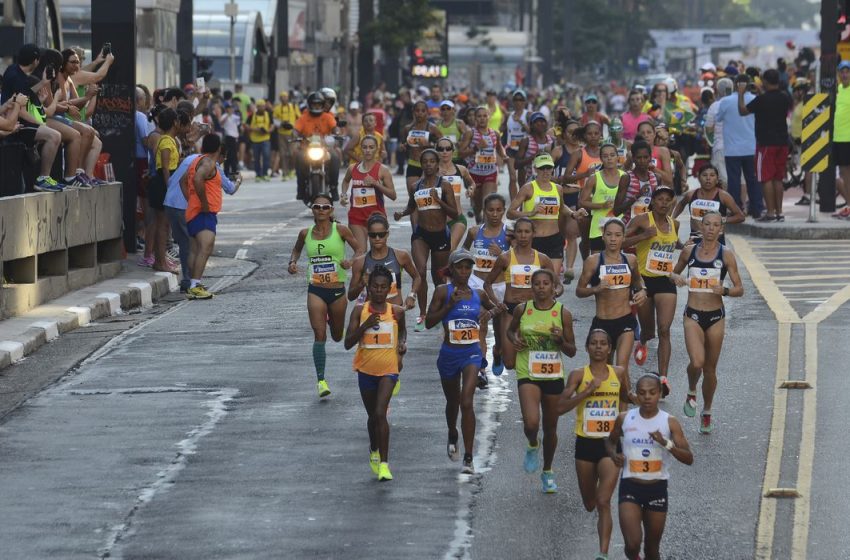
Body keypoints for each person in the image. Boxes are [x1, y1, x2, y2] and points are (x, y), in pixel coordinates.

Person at [559, 329, 630, 558]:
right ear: (587, 348)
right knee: (590, 503)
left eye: (603, 344)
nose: (598, 347)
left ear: (610, 349)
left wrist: (624, 423)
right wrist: (586, 392)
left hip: (611, 445)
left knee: (603, 501)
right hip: (585, 445)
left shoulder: (619, 373)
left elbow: (626, 398)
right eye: (593, 343)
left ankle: (603, 553)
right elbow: (560, 407)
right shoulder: (578, 375)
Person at [606, 374, 693, 560]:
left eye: (652, 393)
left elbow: (688, 458)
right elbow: (610, 441)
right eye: (642, 393)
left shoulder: (669, 422)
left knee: (652, 550)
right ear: (636, 395)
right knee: (632, 544)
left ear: (660, 394)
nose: (647, 397)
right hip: (630, 486)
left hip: (657, 489)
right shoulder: (624, 418)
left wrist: (666, 443)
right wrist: (614, 455)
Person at [425, 249, 498, 474]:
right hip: (449, 354)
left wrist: (488, 315)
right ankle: (451, 431)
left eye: (468, 267)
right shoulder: (442, 292)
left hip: (472, 354)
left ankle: (468, 456)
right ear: (452, 268)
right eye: (460, 267)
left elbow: (496, 308)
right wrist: (449, 306)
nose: (464, 271)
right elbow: (428, 323)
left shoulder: (478, 294)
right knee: (453, 402)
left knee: (467, 401)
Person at [670, 211, 743, 434]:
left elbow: (740, 288)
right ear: (700, 226)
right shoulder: (689, 251)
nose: (711, 229)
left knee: (710, 369)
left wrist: (726, 290)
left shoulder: (726, 254)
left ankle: (707, 411)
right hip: (692, 314)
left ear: (721, 229)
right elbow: (672, 273)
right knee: (697, 362)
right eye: (707, 224)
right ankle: (692, 389)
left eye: (716, 225)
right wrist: (677, 278)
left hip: (715, 316)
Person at [505, 268, 576, 492]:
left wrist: (559, 340)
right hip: (528, 371)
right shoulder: (522, 309)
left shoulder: (563, 313)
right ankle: (533, 443)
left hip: (553, 374)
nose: (541, 287)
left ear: (554, 287)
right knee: (532, 423)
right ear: (531, 287)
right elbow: (510, 331)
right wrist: (514, 340)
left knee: (551, 427)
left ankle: (547, 471)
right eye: (537, 284)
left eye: (546, 284)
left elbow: (572, 350)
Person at [287, 193, 362, 397]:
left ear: (331, 210)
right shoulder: (305, 233)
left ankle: (334, 323)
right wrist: (292, 263)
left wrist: (351, 261)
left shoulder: (341, 230)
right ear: (312, 210)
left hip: (337, 290)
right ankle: (321, 381)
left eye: (325, 207)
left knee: (337, 336)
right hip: (316, 289)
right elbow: (296, 250)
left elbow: (360, 249)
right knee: (319, 335)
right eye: (317, 207)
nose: (321, 210)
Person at [344, 265, 407, 481]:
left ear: (389, 288)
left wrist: (401, 346)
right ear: (369, 288)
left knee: (381, 413)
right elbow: (347, 343)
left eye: (383, 287)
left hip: (388, 371)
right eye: (375, 287)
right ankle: (373, 447)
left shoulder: (396, 311)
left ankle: (384, 464)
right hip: (365, 370)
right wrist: (365, 326)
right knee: (372, 417)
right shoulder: (359, 311)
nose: (379, 291)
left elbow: (403, 332)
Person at [394, 149, 459, 332]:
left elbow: (454, 213)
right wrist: (402, 213)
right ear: (421, 164)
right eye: (425, 161)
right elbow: (411, 207)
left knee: (439, 279)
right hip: (421, 235)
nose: (429, 164)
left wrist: (439, 200)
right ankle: (422, 314)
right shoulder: (416, 186)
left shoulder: (444, 185)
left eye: (432, 161)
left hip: (440, 235)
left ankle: (435, 312)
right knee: (420, 271)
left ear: (437, 164)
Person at [484, 217, 560, 372]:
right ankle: (498, 351)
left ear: (534, 234)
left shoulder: (543, 259)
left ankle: (528, 381)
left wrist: (552, 295)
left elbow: (558, 286)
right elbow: (487, 283)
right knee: (510, 363)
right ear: (514, 234)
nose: (523, 235)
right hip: (510, 310)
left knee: (535, 354)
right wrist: (496, 303)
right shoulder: (505, 258)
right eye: (519, 232)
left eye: (527, 232)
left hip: (534, 311)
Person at [624, 187, 679, 396]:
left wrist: (687, 245)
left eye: (668, 200)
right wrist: (644, 235)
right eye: (660, 199)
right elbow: (621, 241)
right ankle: (644, 340)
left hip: (665, 281)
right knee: (649, 329)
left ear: (672, 203)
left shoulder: (675, 224)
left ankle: (663, 379)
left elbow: (673, 244)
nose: (663, 203)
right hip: (643, 281)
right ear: (653, 201)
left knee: (665, 330)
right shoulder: (641, 220)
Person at [577, 218, 647, 381]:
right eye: (609, 234)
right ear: (603, 236)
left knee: (620, 369)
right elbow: (579, 291)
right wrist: (596, 289)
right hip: (602, 323)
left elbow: (638, 281)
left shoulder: (630, 260)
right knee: (602, 372)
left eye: (617, 235)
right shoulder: (593, 261)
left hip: (625, 321)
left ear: (624, 237)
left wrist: (642, 291)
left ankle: (623, 406)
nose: (613, 239)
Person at [509, 153, 584, 279]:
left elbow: (561, 207)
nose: (546, 171)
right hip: (534, 241)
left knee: (552, 279)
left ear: (553, 169)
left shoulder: (558, 188)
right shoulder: (528, 188)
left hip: (554, 240)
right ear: (536, 169)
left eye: (548, 168)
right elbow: (510, 212)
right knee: (533, 280)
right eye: (542, 168)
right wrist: (529, 213)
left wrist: (573, 214)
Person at [463, 193, 510, 377]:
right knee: (481, 323)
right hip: (478, 283)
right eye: (491, 210)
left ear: (504, 211)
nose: (495, 214)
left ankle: (497, 352)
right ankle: (481, 368)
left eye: (499, 210)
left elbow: (516, 259)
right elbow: (464, 252)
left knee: (499, 330)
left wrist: (504, 253)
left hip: (499, 286)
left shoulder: (509, 234)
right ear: (484, 211)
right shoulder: (475, 232)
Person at [737, 69, 793, 221]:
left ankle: (769, 213)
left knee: (766, 178)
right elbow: (773, 101)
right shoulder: (785, 97)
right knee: (778, 178)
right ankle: (779, 213)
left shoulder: (760, 100)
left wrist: (741, 94)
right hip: (782, 143)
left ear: (766, 82)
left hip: (766, 144)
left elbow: (743, 111)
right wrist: (762, 91)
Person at [347, 213, 420, 311]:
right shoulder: (360, 262)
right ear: (368, 235)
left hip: (395, 312)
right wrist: (361, 284)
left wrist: (412, 295)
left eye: (381, 235)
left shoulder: (401, 255)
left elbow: (417, 277)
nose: (377, 238)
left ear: (387, 234)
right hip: (371, 314)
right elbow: (350, 296)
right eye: (373, 235)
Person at [715, 74, 764, 219]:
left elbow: (718, 118)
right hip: (751, 147)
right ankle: (756, 209)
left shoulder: (725, 101)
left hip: (732, 149)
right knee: (753, 180)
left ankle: (735, 208)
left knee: (734, 181)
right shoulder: (755, 99)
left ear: (735, 84)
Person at [339, 135, 397, 249]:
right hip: (356, 217)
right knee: (361, 251)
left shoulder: (383, 170)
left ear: (376, 149)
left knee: (377, 251)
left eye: (371, 147)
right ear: (361, 148)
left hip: (377, 217)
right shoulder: (352, 168)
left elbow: (393, 195)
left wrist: (376, 183)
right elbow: (345, 181)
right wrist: (343, 194)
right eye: (365, 147)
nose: (368, 150)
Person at [672, 164, 745, 244]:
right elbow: (681, 204)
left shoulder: (724, 196)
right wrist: (672, 218)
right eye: (704, 175)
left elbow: (740, 217)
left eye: (712, 175)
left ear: (717, 179)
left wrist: (722, 220)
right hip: (695, 241)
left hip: (717, 243)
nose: (708, 178)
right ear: (699, 178)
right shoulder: (690, 195)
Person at [563, 121, 604, 259]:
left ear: (601, 135)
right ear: (585, 136)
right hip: (584, 201)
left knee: (601, 238)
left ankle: (596, 265)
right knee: (586, 239)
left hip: (602, 200)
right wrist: (585, 174)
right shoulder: (579, 154)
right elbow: (566, 178)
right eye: (590, 133)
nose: (593, 136)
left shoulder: (606, 152)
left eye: (596, 133)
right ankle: (587, 262)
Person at [461, 106, 507, 223]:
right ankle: (479, 220)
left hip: (490, 172)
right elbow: (461, 153)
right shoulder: (470, 133)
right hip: (474, 173)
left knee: (487, 202)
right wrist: (476, 148)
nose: (482, 119)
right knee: (477, 206)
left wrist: (504, 156)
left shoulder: (495, 134)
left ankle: (485, 229)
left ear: (489, 117)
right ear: (475, 118)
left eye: (484, 116)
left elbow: (499, 148)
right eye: (479, 116)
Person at [552, 119, 584, 281]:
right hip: (559, 196)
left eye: (576, 131)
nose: (573, 135)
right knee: (559, 233)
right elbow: (544, 174)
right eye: (570, 131)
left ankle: (570, 268)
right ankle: (560, 262)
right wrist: (558, 179)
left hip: (576, 196)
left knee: (571, 233)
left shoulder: (584, 153)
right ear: (564, 134)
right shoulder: (558, 151)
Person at [580, 143, 626, 254]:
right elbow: (582, 202)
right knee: (597, 264)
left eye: (612, 155)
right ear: (601, 159)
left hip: (619, 227)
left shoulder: (625, 177)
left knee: (616, 263)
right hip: (599, 228)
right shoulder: (594, 178)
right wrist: (601, 205)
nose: (609, 158)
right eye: (605, 156)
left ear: (617, 157)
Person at [294, 91, 340, 200]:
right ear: (310, 105)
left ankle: (334, 187)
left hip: (325, 147)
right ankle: (300, 187)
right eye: (314, 104)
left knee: (335, 157)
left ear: (322, 105)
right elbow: (296, 130)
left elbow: (335, 128)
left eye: (319, 104)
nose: (316, 106)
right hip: (306, 148)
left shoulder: (328, 117)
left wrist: (337, 133)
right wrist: (295, 135)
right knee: (299, 157)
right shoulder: (303, 117)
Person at [435, 136, 474, 250]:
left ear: (453, 151)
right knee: (438, 256)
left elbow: (472, 183)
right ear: (436, 151)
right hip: (436, 221)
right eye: (441, 149)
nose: (444, 152)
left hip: (457, 219)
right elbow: (419, 189)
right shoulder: (431, 171)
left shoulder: (461, 169)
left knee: (449, 250)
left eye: (448, 148)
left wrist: (470, 189)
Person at [399, 100, 441, 199]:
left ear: (427, 112)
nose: (420, 113)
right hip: (413, 164)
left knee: (427, 198)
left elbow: (443, 146)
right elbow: (405, 144)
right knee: (413, 199)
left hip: (429, 166)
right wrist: (403, 147)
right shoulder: (408, 128)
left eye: (423, 111)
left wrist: (429, 145)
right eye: (417, 111)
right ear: (413, 112)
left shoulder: (432, 128)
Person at [614, 140, 663, 225]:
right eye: (639, 158)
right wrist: (637, 196)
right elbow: (616, 211)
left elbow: (660, 206)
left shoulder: (657, 178)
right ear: (633, 158)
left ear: (650, 158)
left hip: (650, 227)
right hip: (629, 227)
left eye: (645, 157)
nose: (642, 161)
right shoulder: (627, 178)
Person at [703, 77, 733, 186]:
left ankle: (725, 202)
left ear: (717, 91)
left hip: (720, 147)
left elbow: (709, 129)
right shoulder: (738, 104)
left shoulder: (714, 106)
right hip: (737, 148)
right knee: (738, 178)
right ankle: (738, 202)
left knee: (723, 178)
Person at [515, 111, 556, 186]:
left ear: (546, 124)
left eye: (542, 121)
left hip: (548, 180)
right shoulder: (526, 141)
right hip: (529, 180)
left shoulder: (552, 141)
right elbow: (516, 164)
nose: (540, 124)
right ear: (531, 125)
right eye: (536, 122)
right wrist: (534, 157)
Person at [503, 89, 530, 199]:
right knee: (513, 177)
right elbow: (503, 129)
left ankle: (522, 199)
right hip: (511, 149)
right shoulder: (509, 115)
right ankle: (514, 202)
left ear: (524, 102)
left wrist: (520, 121)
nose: (518, 102)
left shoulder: (528, 115)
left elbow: (531, 131)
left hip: (523, 150)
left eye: (521, 100)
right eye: (516, 100)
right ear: (513, 102)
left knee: (522, 179)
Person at [634, 121, 673, 186]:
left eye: (649, 132)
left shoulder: (663, 151)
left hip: (657, 192)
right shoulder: (632, 152)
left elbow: (669, 180)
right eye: (643, 133)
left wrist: (653, 168)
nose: (646, 135)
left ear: (654, 134)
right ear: (638, 135)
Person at [273, 91, 300, 179]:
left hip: (292, 132)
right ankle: (285, 172)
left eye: (285, 97)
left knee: (292, 153)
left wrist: (294, 126)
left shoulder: (293, 107)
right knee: (283, 154)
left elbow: (299, 118)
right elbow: (275, 120)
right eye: (282, 97)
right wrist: (282, 123)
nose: (284, 98)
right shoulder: (277, 108)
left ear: (288, 98)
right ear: (280, 99)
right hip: (281, 133)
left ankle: (292, 170)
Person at [435, 100, 472, 166]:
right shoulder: (437, 124)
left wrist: (460, 143)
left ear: (453, 110)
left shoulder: (459, 123)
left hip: (456, 159)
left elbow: (466, 139)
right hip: (442, 159)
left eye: (448, 108)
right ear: (440, 111)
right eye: (443, 109)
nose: (445, 111)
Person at [835, 61, 850, 209]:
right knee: (844, 174)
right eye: (842, 72)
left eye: (847, 71)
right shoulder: (838, 89)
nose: (845, 74)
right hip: (838, 139)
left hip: (848, 138)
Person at [246, 99, 272, 181]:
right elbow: (246, 125)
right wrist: (254, 129)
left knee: (266, 156)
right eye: (260, 106)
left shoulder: (268, 114)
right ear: (257, 107)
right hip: (255, 140)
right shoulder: (252, 115)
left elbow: (272, 125)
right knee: (256, 158)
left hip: (265, 138)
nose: (262, 108)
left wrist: (268, 130)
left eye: (263, 106)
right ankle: (258, 174)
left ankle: (265, 174)